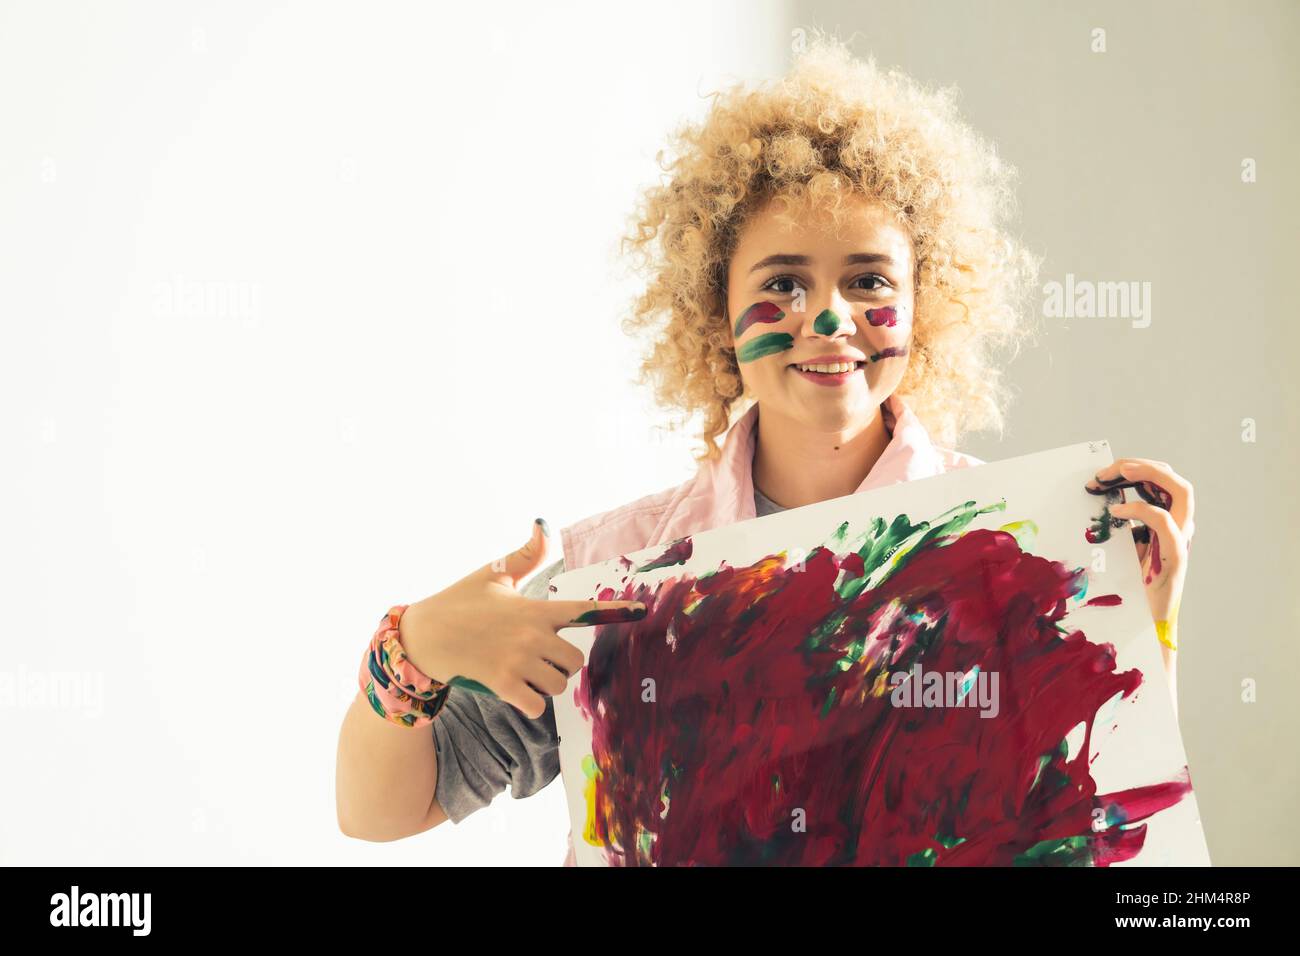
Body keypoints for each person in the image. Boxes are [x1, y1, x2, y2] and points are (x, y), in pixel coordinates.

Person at [335, 34, 1196, 864]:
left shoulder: (1027, 562)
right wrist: (414, 644)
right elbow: (380, 812)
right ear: (717, 311)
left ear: (926, 306)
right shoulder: (618, 580)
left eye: (868, 282)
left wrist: (1137, 622)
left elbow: (1106, 825)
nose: (829, 318)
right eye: (784, 283)